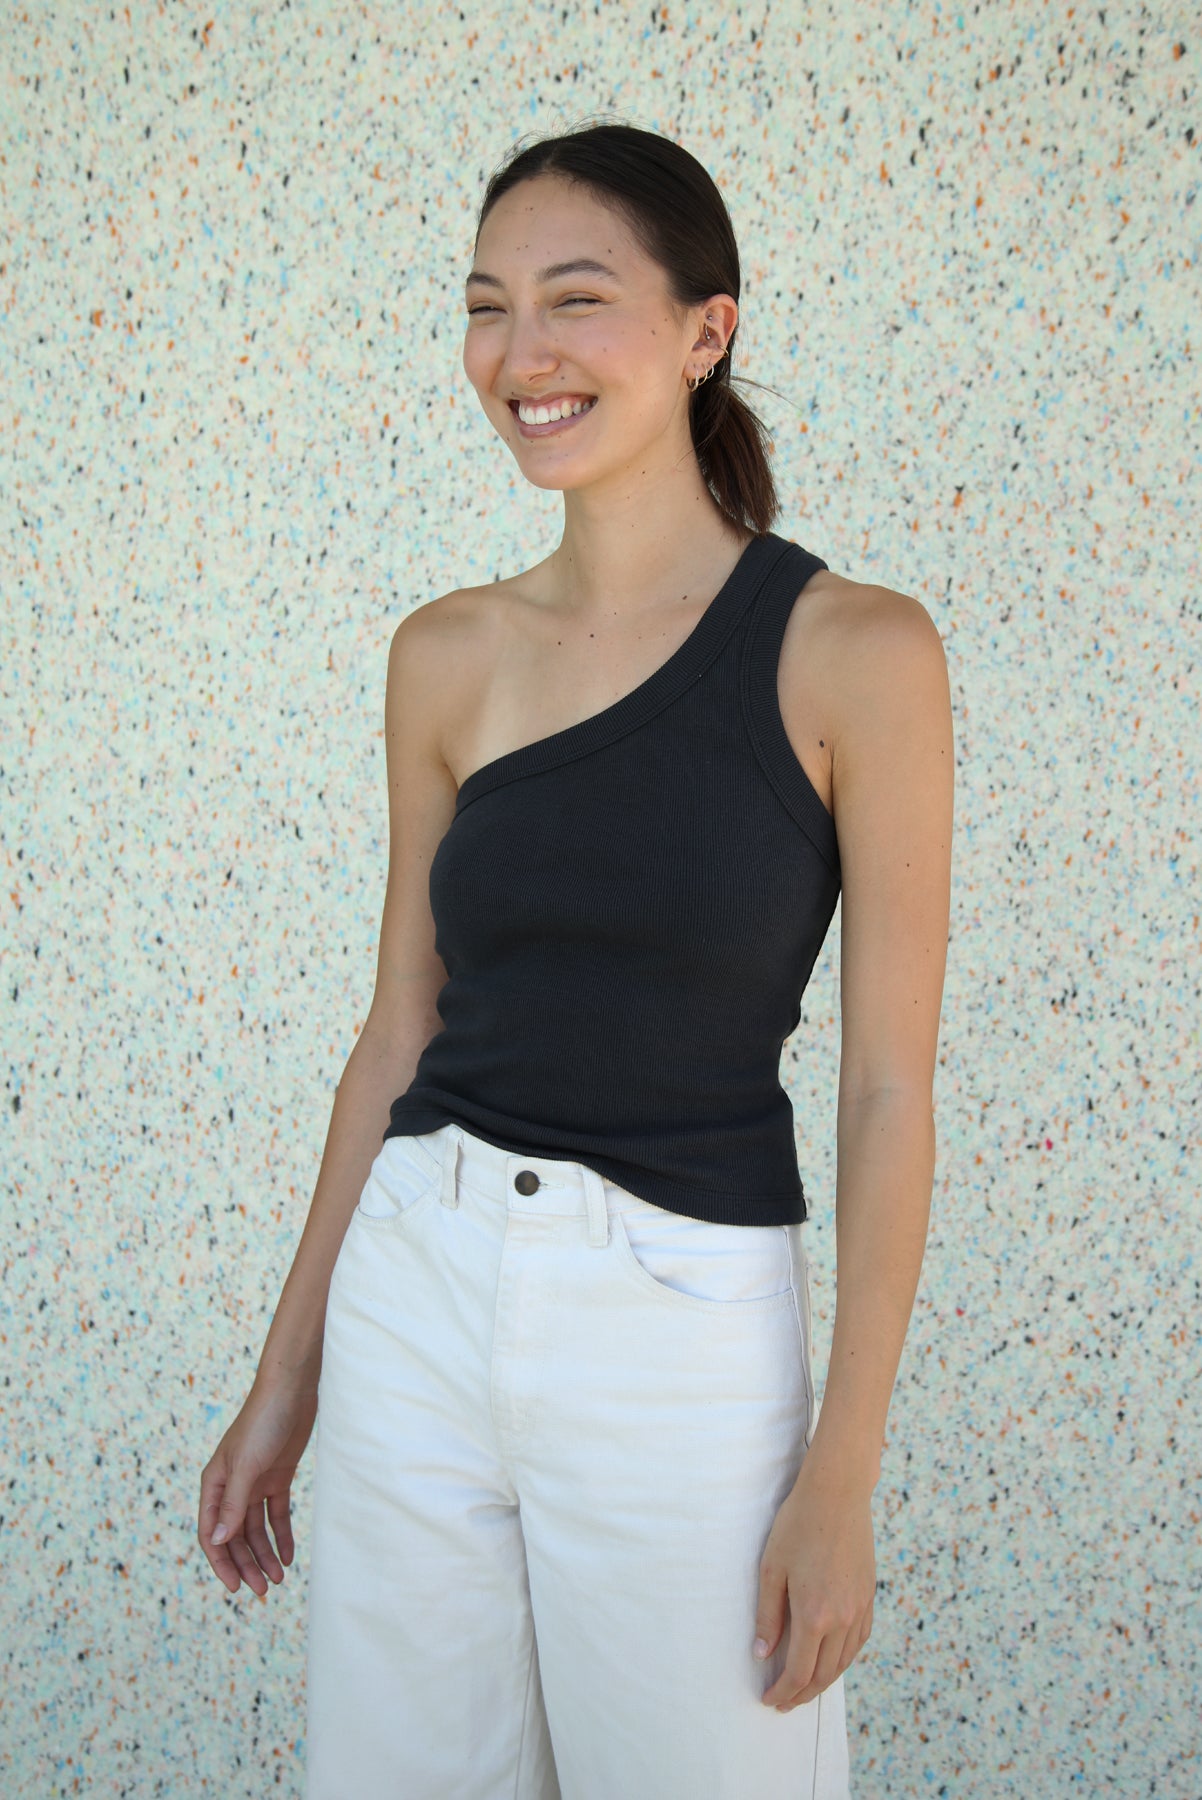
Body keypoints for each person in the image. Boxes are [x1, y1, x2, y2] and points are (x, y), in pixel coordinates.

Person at [198, 120, 953, 1800]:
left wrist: (843, 1472)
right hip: (418, 1288)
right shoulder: (446, 653)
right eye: (487, 306)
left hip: (680, 1328)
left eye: (575, 298)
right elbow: (398, 1031)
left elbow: (888, 1090)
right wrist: (284, 1379)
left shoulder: (855, 651)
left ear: (705, 330)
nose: (520, 353)